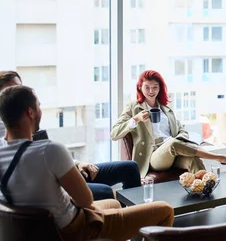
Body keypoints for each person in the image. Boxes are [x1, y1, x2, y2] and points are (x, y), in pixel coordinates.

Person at [0, 85, 174, 241]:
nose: (40, 111)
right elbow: (85, 200)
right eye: (39, 106)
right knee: (165, 210)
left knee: (113, 203)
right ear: (30, 112)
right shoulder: (50, 150)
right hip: (76, 229)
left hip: (40, 229)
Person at [0, 70, 141, 201]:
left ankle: (129, 213)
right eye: (10, 91)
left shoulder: (29, 122)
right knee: (104, 191)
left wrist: (76, 163)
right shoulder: (9, 131)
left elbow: (51, 156)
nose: (18, 93)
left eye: (19, 87)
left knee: (130, 168)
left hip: (62, 171)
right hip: (52, 183)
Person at [111, 70, 226, 178]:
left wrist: (178, 140)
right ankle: (220, 157)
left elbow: (182, 130)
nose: (151, 91)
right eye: (147, 87)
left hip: (174, 152)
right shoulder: (133, 107)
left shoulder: (166, 108)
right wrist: (136, 119)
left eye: (155, 87)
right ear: (140, 87)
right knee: (172, 143)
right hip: (153, 157)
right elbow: (114, 134)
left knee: (194, 161)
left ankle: (205, 199)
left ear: (160, 88)